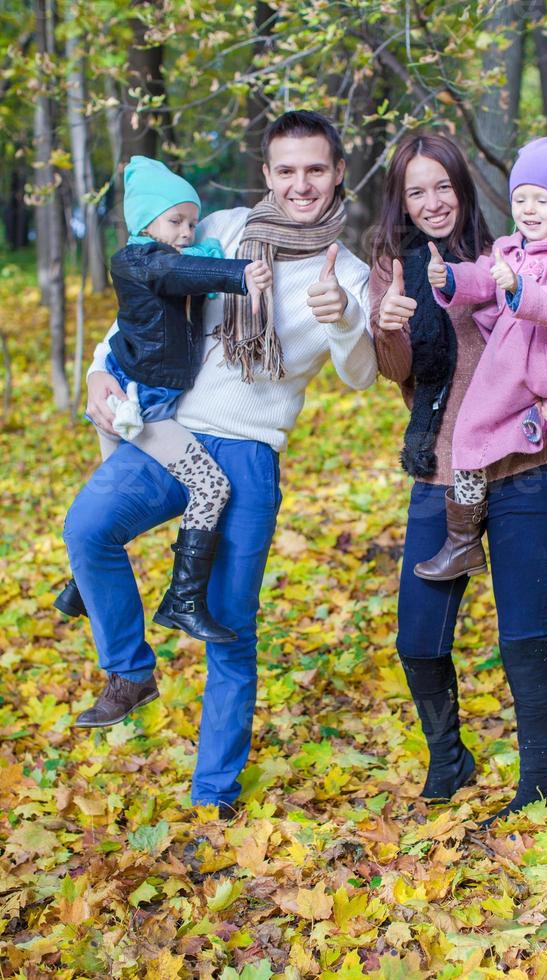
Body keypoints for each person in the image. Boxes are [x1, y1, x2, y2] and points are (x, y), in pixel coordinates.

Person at [62, 111, 377, 814]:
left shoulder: (346, 271)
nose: (301, 184)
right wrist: (95, 369)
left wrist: (344, 319)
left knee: (229, 625)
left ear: (337, 174)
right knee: (88, 530)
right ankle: (130, 670)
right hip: (170, 428)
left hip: (250, 451)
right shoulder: (227, 230)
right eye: (287, 170)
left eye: (316, 170)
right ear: (267, 174)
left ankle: (213, 794)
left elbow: (360, 374)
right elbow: (152, 296)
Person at [371, 132, 547, 824]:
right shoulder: (396, 265)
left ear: (462, 188)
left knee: (523, 636)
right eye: (417, 190)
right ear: (401, 201)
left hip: (527, 468)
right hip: (441, 471)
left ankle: (535, 789)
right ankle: (449, 759)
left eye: (443, 186)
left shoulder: (515, 252)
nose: (432, 201)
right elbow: (394, 371)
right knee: (417, 637)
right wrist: (390, 325)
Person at [55, 156, 272, 644]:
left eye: (192, 222)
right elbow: (181, 272)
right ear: (144, 223)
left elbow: (190, 263)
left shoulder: (165, 255)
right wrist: (239, 274)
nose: (186, 231)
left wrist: (212, 250)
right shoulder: (140, 259)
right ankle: (184, 600)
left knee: (108, 507)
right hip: (140, 404)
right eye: (175, 221)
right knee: (211, 488)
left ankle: (79, 589)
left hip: (134, 392)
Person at [414, 137, 547, 582]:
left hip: (543, 360)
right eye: (520, 198)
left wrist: (519, 289)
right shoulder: (508, 246)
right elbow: (481, 280)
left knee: (469, 432)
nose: (528, 208)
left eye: (542, 199)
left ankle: (462, 544)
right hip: (516, 359)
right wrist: (448, 276)